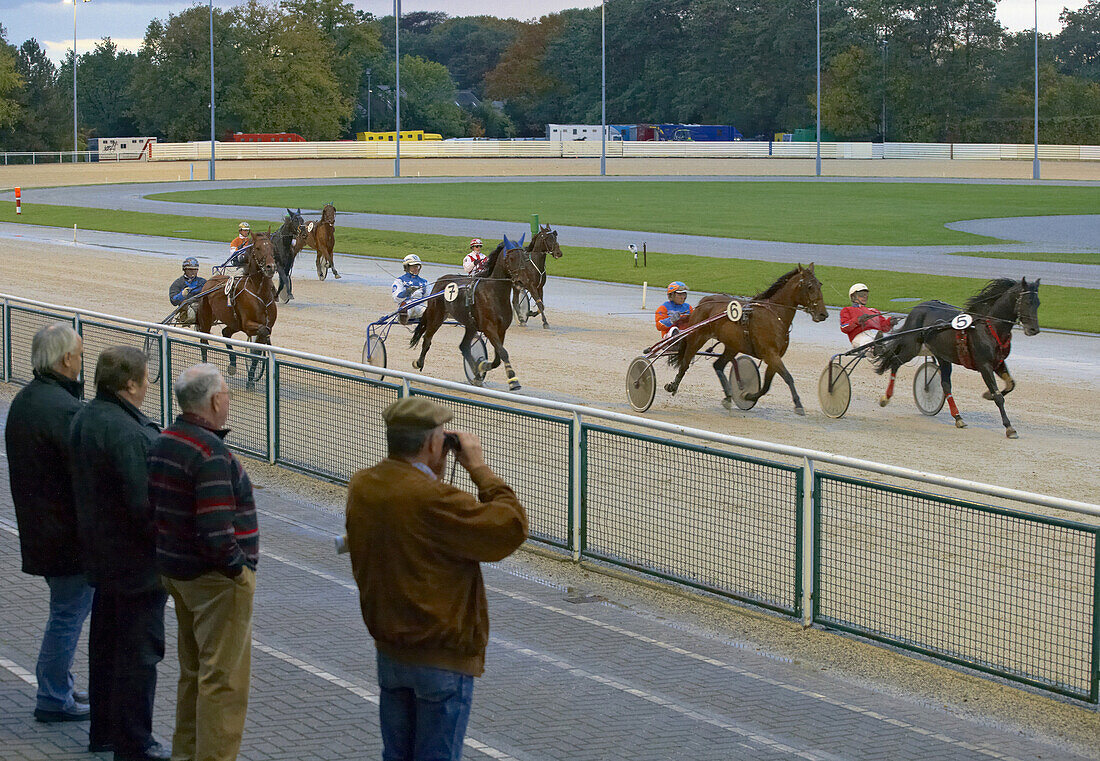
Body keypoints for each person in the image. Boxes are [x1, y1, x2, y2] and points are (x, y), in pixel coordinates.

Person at [345, 398, 528, 761]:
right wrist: (479, 469)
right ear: (431, 444)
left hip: (390, 655)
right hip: (440, 660)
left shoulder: (363, 485)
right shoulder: (434, 499)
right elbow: (511, 526)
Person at [149, 363, 257, 761]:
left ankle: (186, 753)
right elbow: (215, 531)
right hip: (214, 581)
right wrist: (238, 569)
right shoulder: (210, 453)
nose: (229, 398)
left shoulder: (165, 439)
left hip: (177, 574)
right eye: (227, 392)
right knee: (223, 682)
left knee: (194, 675)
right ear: (215, 400)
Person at [69, 346, 169, 761]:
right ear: (129, 383)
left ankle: (104, 732)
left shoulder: (85, 417)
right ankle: (134, 740)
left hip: (102, 557)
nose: (149, 384)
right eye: (146, 377)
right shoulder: (130, 434)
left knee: (106, 648)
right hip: (136, 566)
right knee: (138, 654)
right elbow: (145, 506)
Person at [5, 323, 93, 724]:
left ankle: (59, 685)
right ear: (64, 360)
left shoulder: (28, 399)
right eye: (78, 354)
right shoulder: (62, 409)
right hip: (65, 533)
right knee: (67, 614)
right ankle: (54, 696)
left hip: (43, 528)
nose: (82, 361)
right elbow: (85, 471)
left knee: (65, 611)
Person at [840, 283, 898, 348]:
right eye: (861, 295)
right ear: (853, 297)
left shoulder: (874, 311)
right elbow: (844, 327)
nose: (865, 297)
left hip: (877, 334)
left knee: (893, 341)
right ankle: (876, 348)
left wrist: (890, 322)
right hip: (860, 337)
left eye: (866, 295)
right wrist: (858, 320)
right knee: (869, 341)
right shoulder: (847, 310)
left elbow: (883, 327)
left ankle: (882, 347)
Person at [393, 254, 430, 325]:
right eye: (413, 267)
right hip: (406, 304)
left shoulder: (424, 282)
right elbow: (396, 298)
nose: (416, 269)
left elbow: (429, 296)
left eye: (417, 266)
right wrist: (407, 292)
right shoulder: (400, 280)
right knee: (406, 310)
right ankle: (403, 317)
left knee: (430, 312)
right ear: (407, 267)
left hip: (420, 305)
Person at [169, 258, 207, 325]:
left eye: (195, 269)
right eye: (190, 269)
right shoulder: (178, 283)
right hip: (187, 309)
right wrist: (182, 295)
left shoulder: (202, 282)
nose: (193, 272)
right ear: (185, 270)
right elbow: (173, 301)